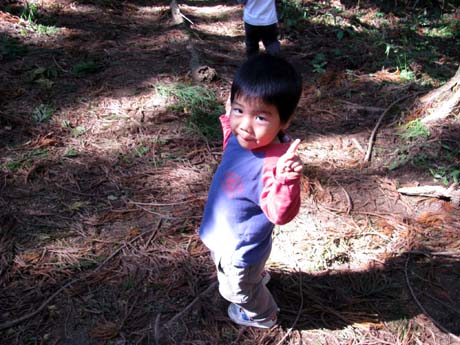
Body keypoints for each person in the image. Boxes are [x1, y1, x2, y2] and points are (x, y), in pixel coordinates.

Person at [199, 53, 303, 328]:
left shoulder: (273, 166)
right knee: (242, 275)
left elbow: (280, 213)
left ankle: (262, 313)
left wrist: (287, 180)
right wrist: (228, 115)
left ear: (284, 121)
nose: (245, 125)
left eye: (260, 116)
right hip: (227, 235)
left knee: (236, 290)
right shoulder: (241, 138)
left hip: (240, 249)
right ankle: (254, 278)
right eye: (239, 110)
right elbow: (229, 138)